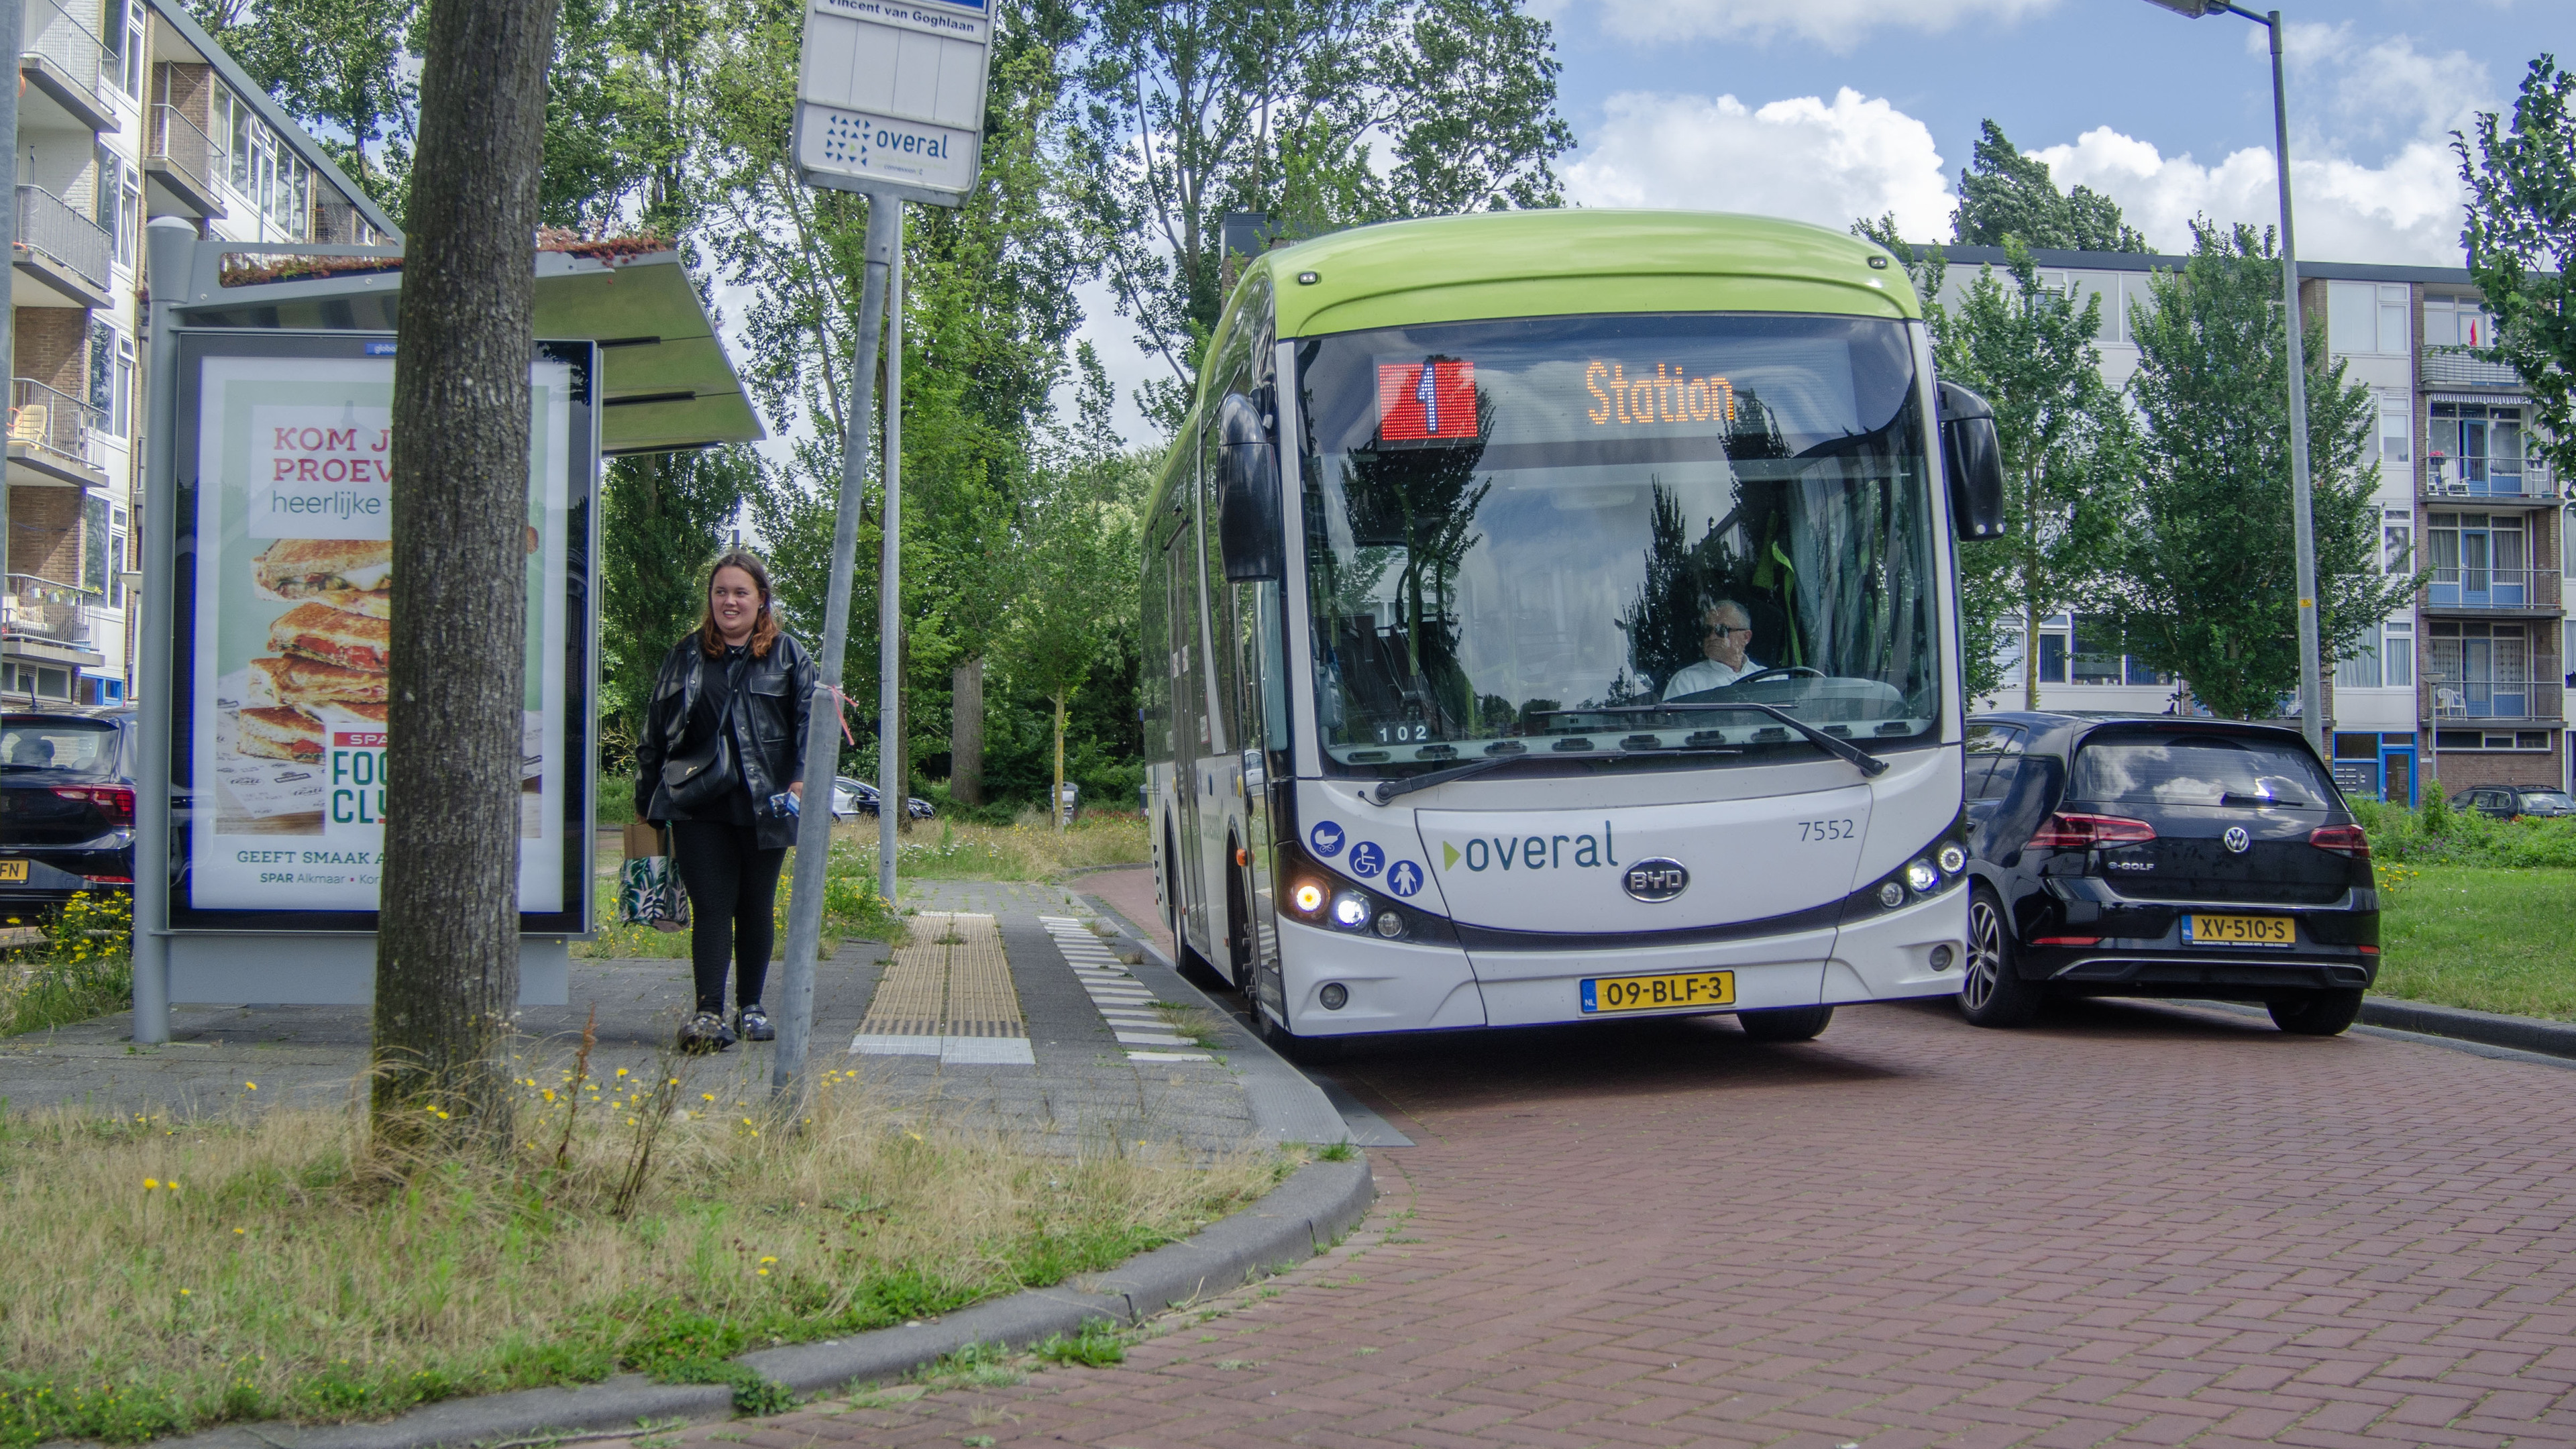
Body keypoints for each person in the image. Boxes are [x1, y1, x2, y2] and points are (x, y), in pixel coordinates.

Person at [634, 551, 814, 1053]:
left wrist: (801, 779)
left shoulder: (790, 655)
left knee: (755, 905)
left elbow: (810, 724)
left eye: (740, 592)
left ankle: (752, 1008)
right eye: (721, 592)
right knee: (712, 906)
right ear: (710, 600)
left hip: (767, 802)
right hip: (698, 803)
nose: (729, 601)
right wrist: (646, 795)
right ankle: (709, 1014)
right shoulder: (685, 654)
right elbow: (655, 728)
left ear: (761, 600)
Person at [1661, 600, 1766, 700]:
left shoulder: (1769, 678)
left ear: (1746, 637)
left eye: (1722, 630)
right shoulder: (1686, 681)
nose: (1712, 637)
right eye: (1707, 630)